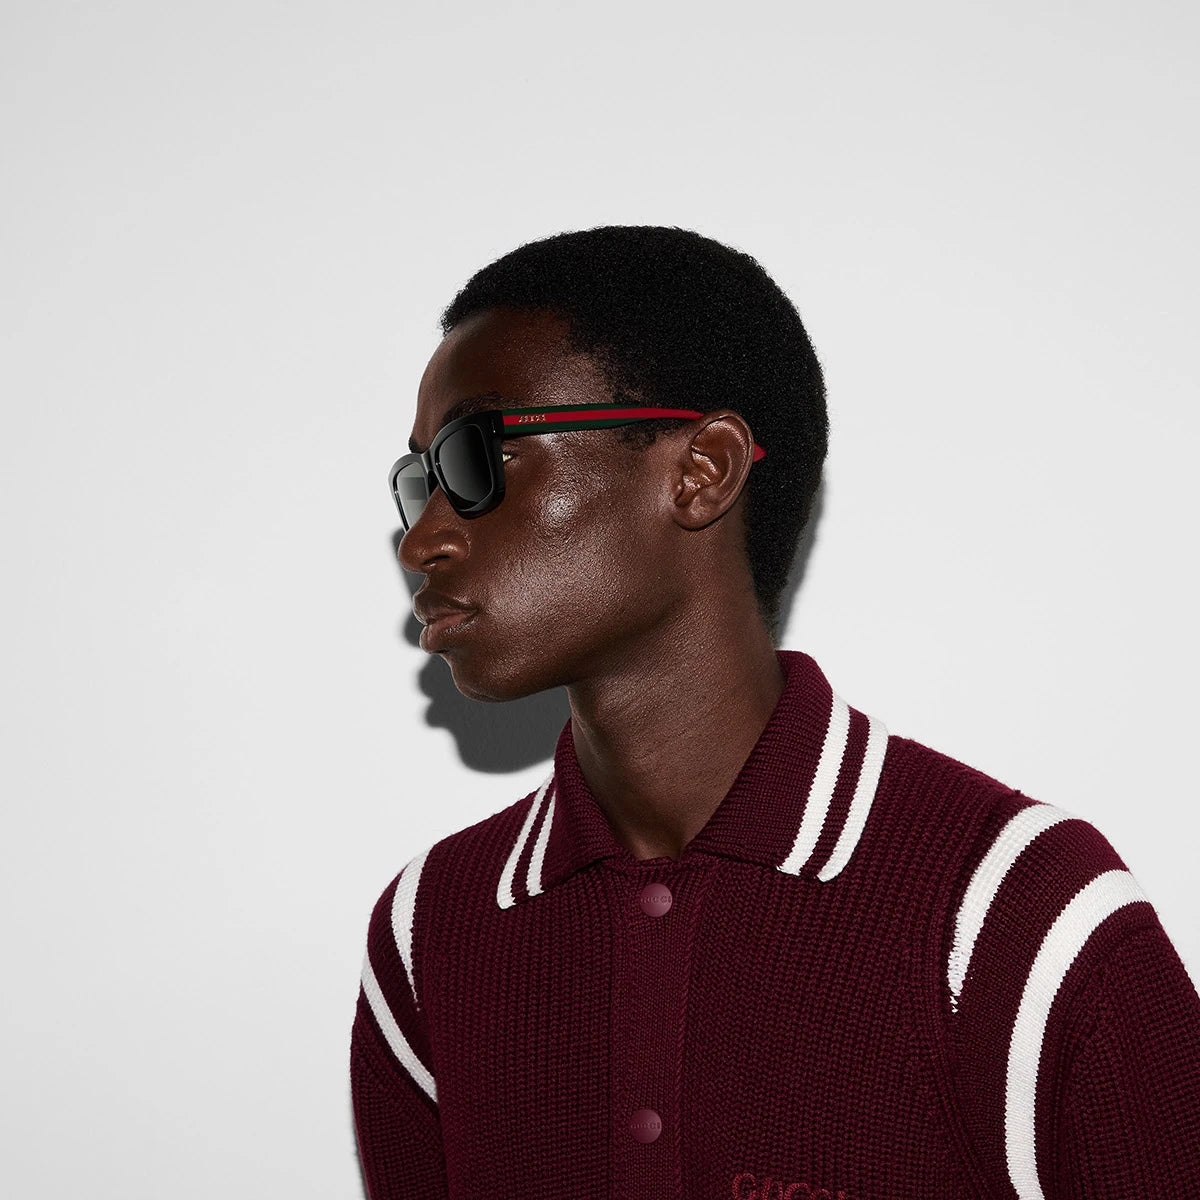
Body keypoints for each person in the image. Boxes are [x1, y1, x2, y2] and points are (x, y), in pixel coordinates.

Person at [350, 225, 1200, 1200]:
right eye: (418, 481)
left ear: (701, 470)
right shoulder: (432, 934)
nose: (420, 540)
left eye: (472, 457)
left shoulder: (1015, 915)